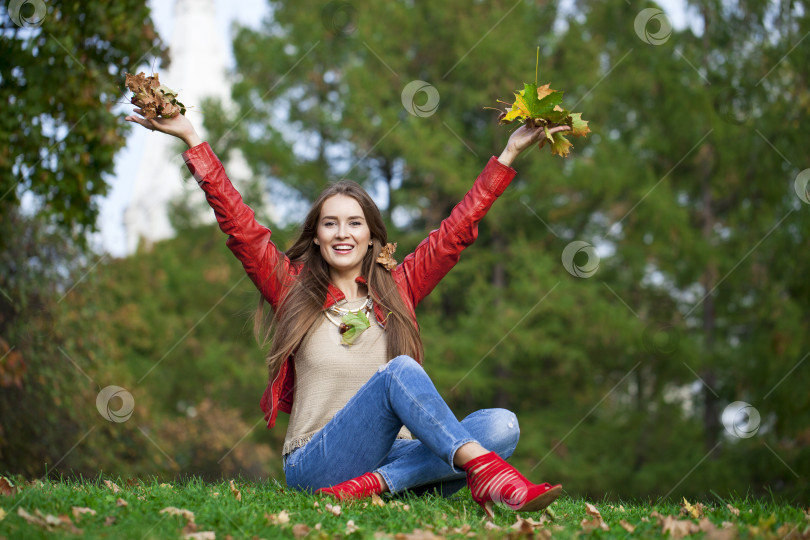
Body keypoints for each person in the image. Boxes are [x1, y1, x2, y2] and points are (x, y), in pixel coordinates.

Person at [125, 104, 571, 519]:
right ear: (316, 236)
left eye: (355, 223)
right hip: (315, 460)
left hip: (391, 455)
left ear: (371, 236)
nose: (343, 233)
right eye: (330, 223)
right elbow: (242, 231)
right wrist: (192, 140)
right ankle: (485, 476)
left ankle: (377, 484)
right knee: (398, 372)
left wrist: (509, 153)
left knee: (501, 425)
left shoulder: (398, 289)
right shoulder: (291, 288)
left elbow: (454, 234)